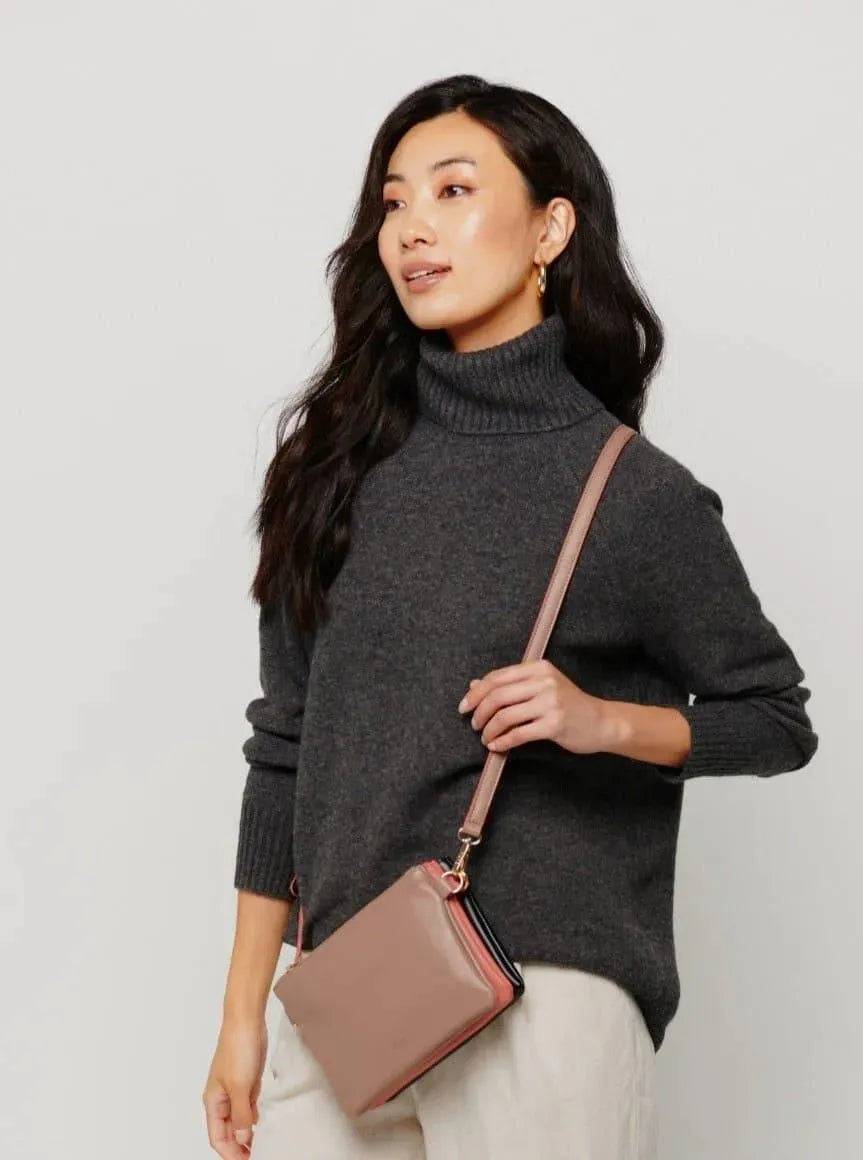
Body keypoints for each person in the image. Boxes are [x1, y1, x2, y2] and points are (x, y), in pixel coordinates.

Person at [202, 74, 818, 1159]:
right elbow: (284, 746)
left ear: (549, 229)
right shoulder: (329, 475)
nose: (413, 227)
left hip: (547, 992)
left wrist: (600, 720)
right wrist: (243, 1016)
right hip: (349, 992)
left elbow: (773, 716)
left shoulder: (632, 493)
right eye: (394, 201)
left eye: (453, 189)